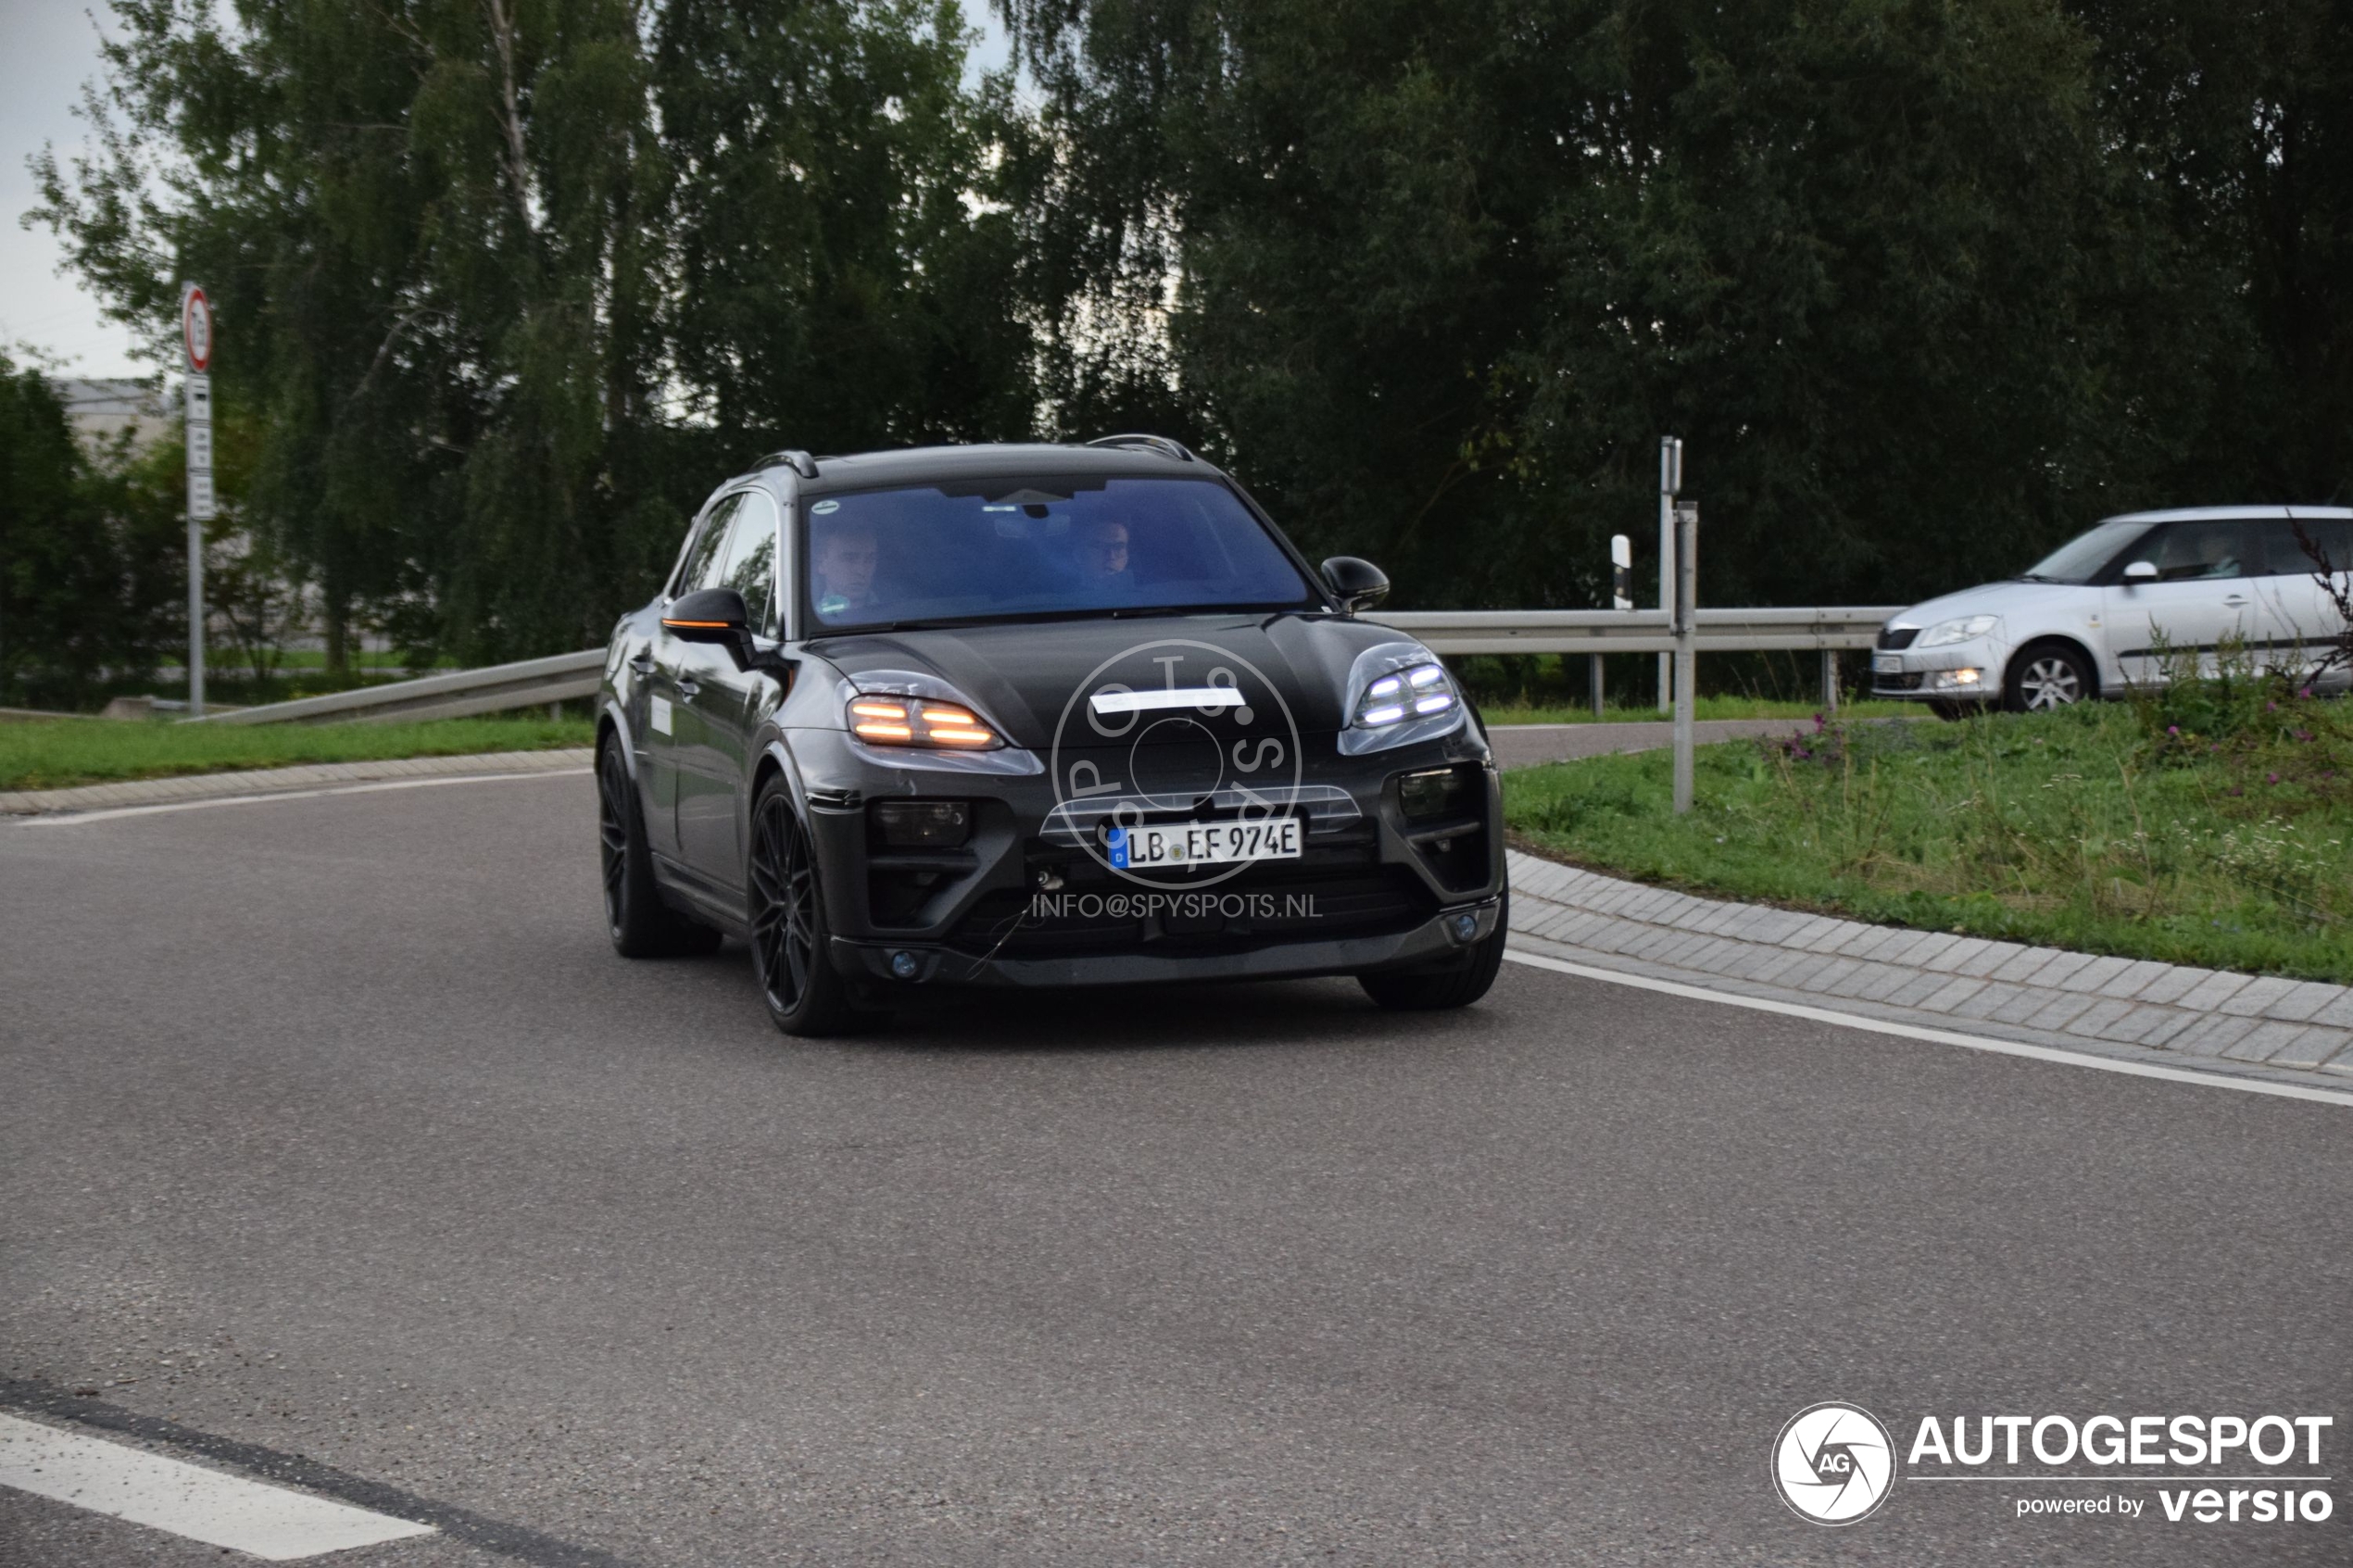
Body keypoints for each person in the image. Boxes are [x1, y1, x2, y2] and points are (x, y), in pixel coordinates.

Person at [812, 521, 880, 621]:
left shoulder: (900, 610)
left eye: (870, 560)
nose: (861, 571)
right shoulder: (805, 617)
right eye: (849, 559)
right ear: (822, 563)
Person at [1072, 517, 1135, 593]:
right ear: (1078, 554)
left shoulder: (1146, 594)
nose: (1111, 556)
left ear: (1127, 556)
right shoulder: (1060, 597)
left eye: (1118, 547)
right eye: (1099, 546)